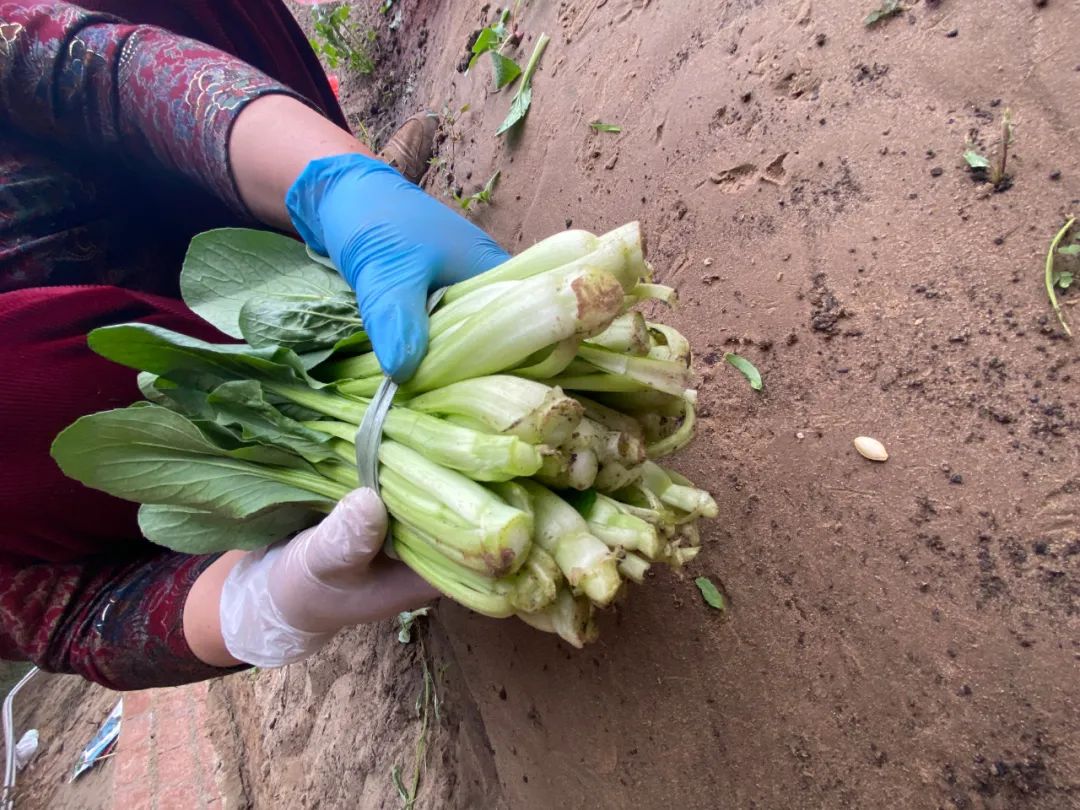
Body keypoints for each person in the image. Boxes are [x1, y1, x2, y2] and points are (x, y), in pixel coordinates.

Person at [0, 0, 510, 688]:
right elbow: (70, 622)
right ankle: (351, 465)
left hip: (163, 191)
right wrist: (261, 603)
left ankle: (335, 197)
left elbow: (94, 71)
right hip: (227, 439)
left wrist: (329, 177)